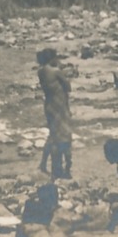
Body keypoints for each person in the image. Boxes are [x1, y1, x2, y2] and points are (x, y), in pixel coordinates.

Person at [36, 48, 72, 180]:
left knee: (52, 135)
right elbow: (68, 87)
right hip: (60, 106)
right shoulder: (56, 71)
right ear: (52, 58)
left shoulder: (40, 71)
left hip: (49, 105)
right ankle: (66, 169)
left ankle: (44, 164)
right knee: (65, 135)